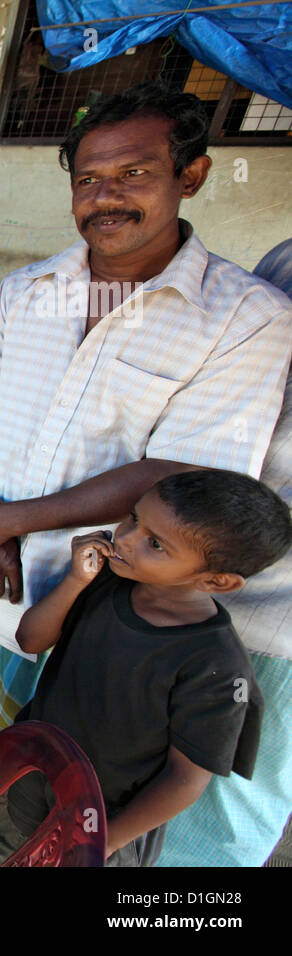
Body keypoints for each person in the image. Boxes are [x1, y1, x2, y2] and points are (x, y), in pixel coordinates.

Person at [0, 82, 292, 731]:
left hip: (90, 602)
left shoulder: (247, 320)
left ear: (193, 174)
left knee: (28, 755)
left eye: (135, 173)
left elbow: (177, 479)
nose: (106, 197)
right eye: (88, 179)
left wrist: (4, 521)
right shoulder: (28, 290)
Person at [3, 470, 284, 865]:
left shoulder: (215, 666)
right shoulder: (107, 581)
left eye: (155, 543)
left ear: (216, 582)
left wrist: (104, 840)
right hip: (33, 781)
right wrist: (74, 580)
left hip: (104, 827)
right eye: (134, 517)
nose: (125, 538)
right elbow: (30, 639)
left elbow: (186, 779)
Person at [158, 240, 292, 867]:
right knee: (157, 759)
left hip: (277, 624)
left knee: (233, 793)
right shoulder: (285, 264)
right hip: (191, 576)